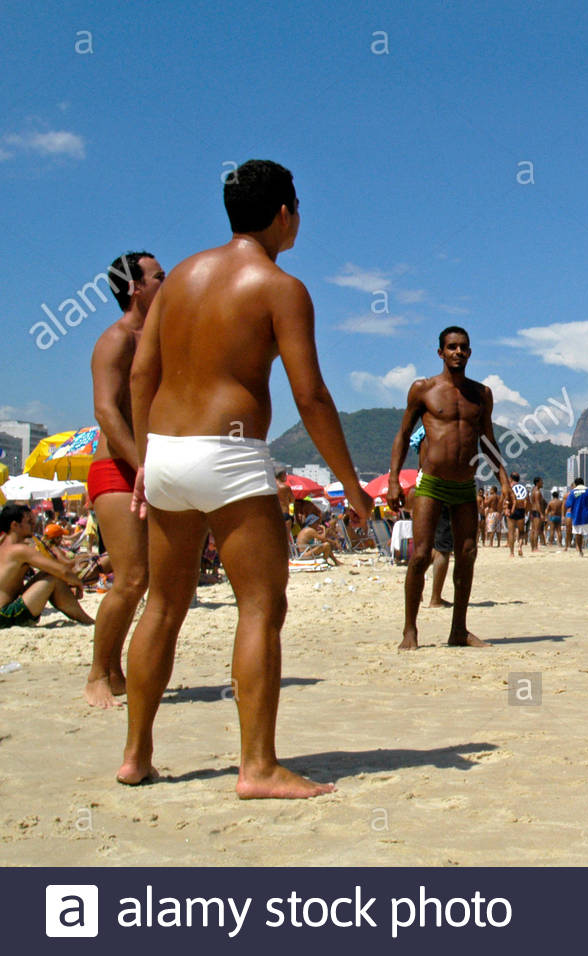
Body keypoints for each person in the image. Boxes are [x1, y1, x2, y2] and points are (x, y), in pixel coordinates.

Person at [119, 159, 373, 797]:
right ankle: (257, 767)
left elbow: (141, 372)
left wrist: (148, 456)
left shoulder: (178, 278)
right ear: (285, 214)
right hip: (229, 458)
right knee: (261, 607)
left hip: (167, 453)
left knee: (163, 605)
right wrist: (350, 483)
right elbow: (310, 396)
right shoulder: (280, 286)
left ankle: (136, 755)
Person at [388, 326, 510, 650]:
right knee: (421, 556)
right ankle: (409, 630)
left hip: (465, 485)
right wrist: (392, 479)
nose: (458, 352)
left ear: (470, 352)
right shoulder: (423, 389)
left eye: (464, 348)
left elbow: (487, 439)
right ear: (440, 352)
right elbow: (402, 435)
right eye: (452, 347)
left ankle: (458, 630)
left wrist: (504, 478)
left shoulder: (481, 394)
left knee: (467, 553)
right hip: (431, 483)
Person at [84, 250, 165, 708]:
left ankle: (115, 671)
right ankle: (98, 675)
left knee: (145, 577)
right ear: (134, 287)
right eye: (159, 276)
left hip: (147, 466)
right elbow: (106, 412)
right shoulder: (116, 339)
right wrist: (142, 468)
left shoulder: (158, 337)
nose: (166, 282)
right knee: (132, 577)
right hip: (116, 466)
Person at [0, 504, 95, 629]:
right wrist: (79, 584)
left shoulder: (3, 546)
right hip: (5, 615)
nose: (33, 525)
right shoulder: (20, 550)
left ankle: (87, 620)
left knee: (46, 575)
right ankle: (87, 620)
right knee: (53, 578)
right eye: (29, 521)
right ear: (14, 525)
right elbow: (62, 571)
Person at [426, 509, 453, 608]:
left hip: (430, 505)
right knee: (443, 550)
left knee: (433, 549)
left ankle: (416, 587)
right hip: (444, 503)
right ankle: (435, 599)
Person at [565, 478, 588, 556]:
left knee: (578, 534)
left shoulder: (572, 492)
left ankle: (580, 551)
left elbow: (568, 504)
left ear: (576, 484)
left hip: (576, 515)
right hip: (586, 515)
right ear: (583, 483)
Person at [506, 472, 528, 557]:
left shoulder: (510, 488)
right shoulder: (523, 488)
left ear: (511, 478)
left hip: (512, 510)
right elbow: (527, 501)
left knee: (511, 532)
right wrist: (526, 512)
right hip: (521, 511)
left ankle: (511, 553)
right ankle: (519, 547)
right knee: (521, 532)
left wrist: (506, 509)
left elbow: (506, 500)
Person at [528, 477, 546, 552]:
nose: (543, 483)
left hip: (533, 511)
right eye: (541, 481)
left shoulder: (533, 491)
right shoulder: (537, 492)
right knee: (536, 530)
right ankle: (535, 548)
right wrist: (541, 514)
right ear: (537, 482)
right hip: (537, 512)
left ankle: (533, 547)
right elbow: (538, 504)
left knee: (533, 530)